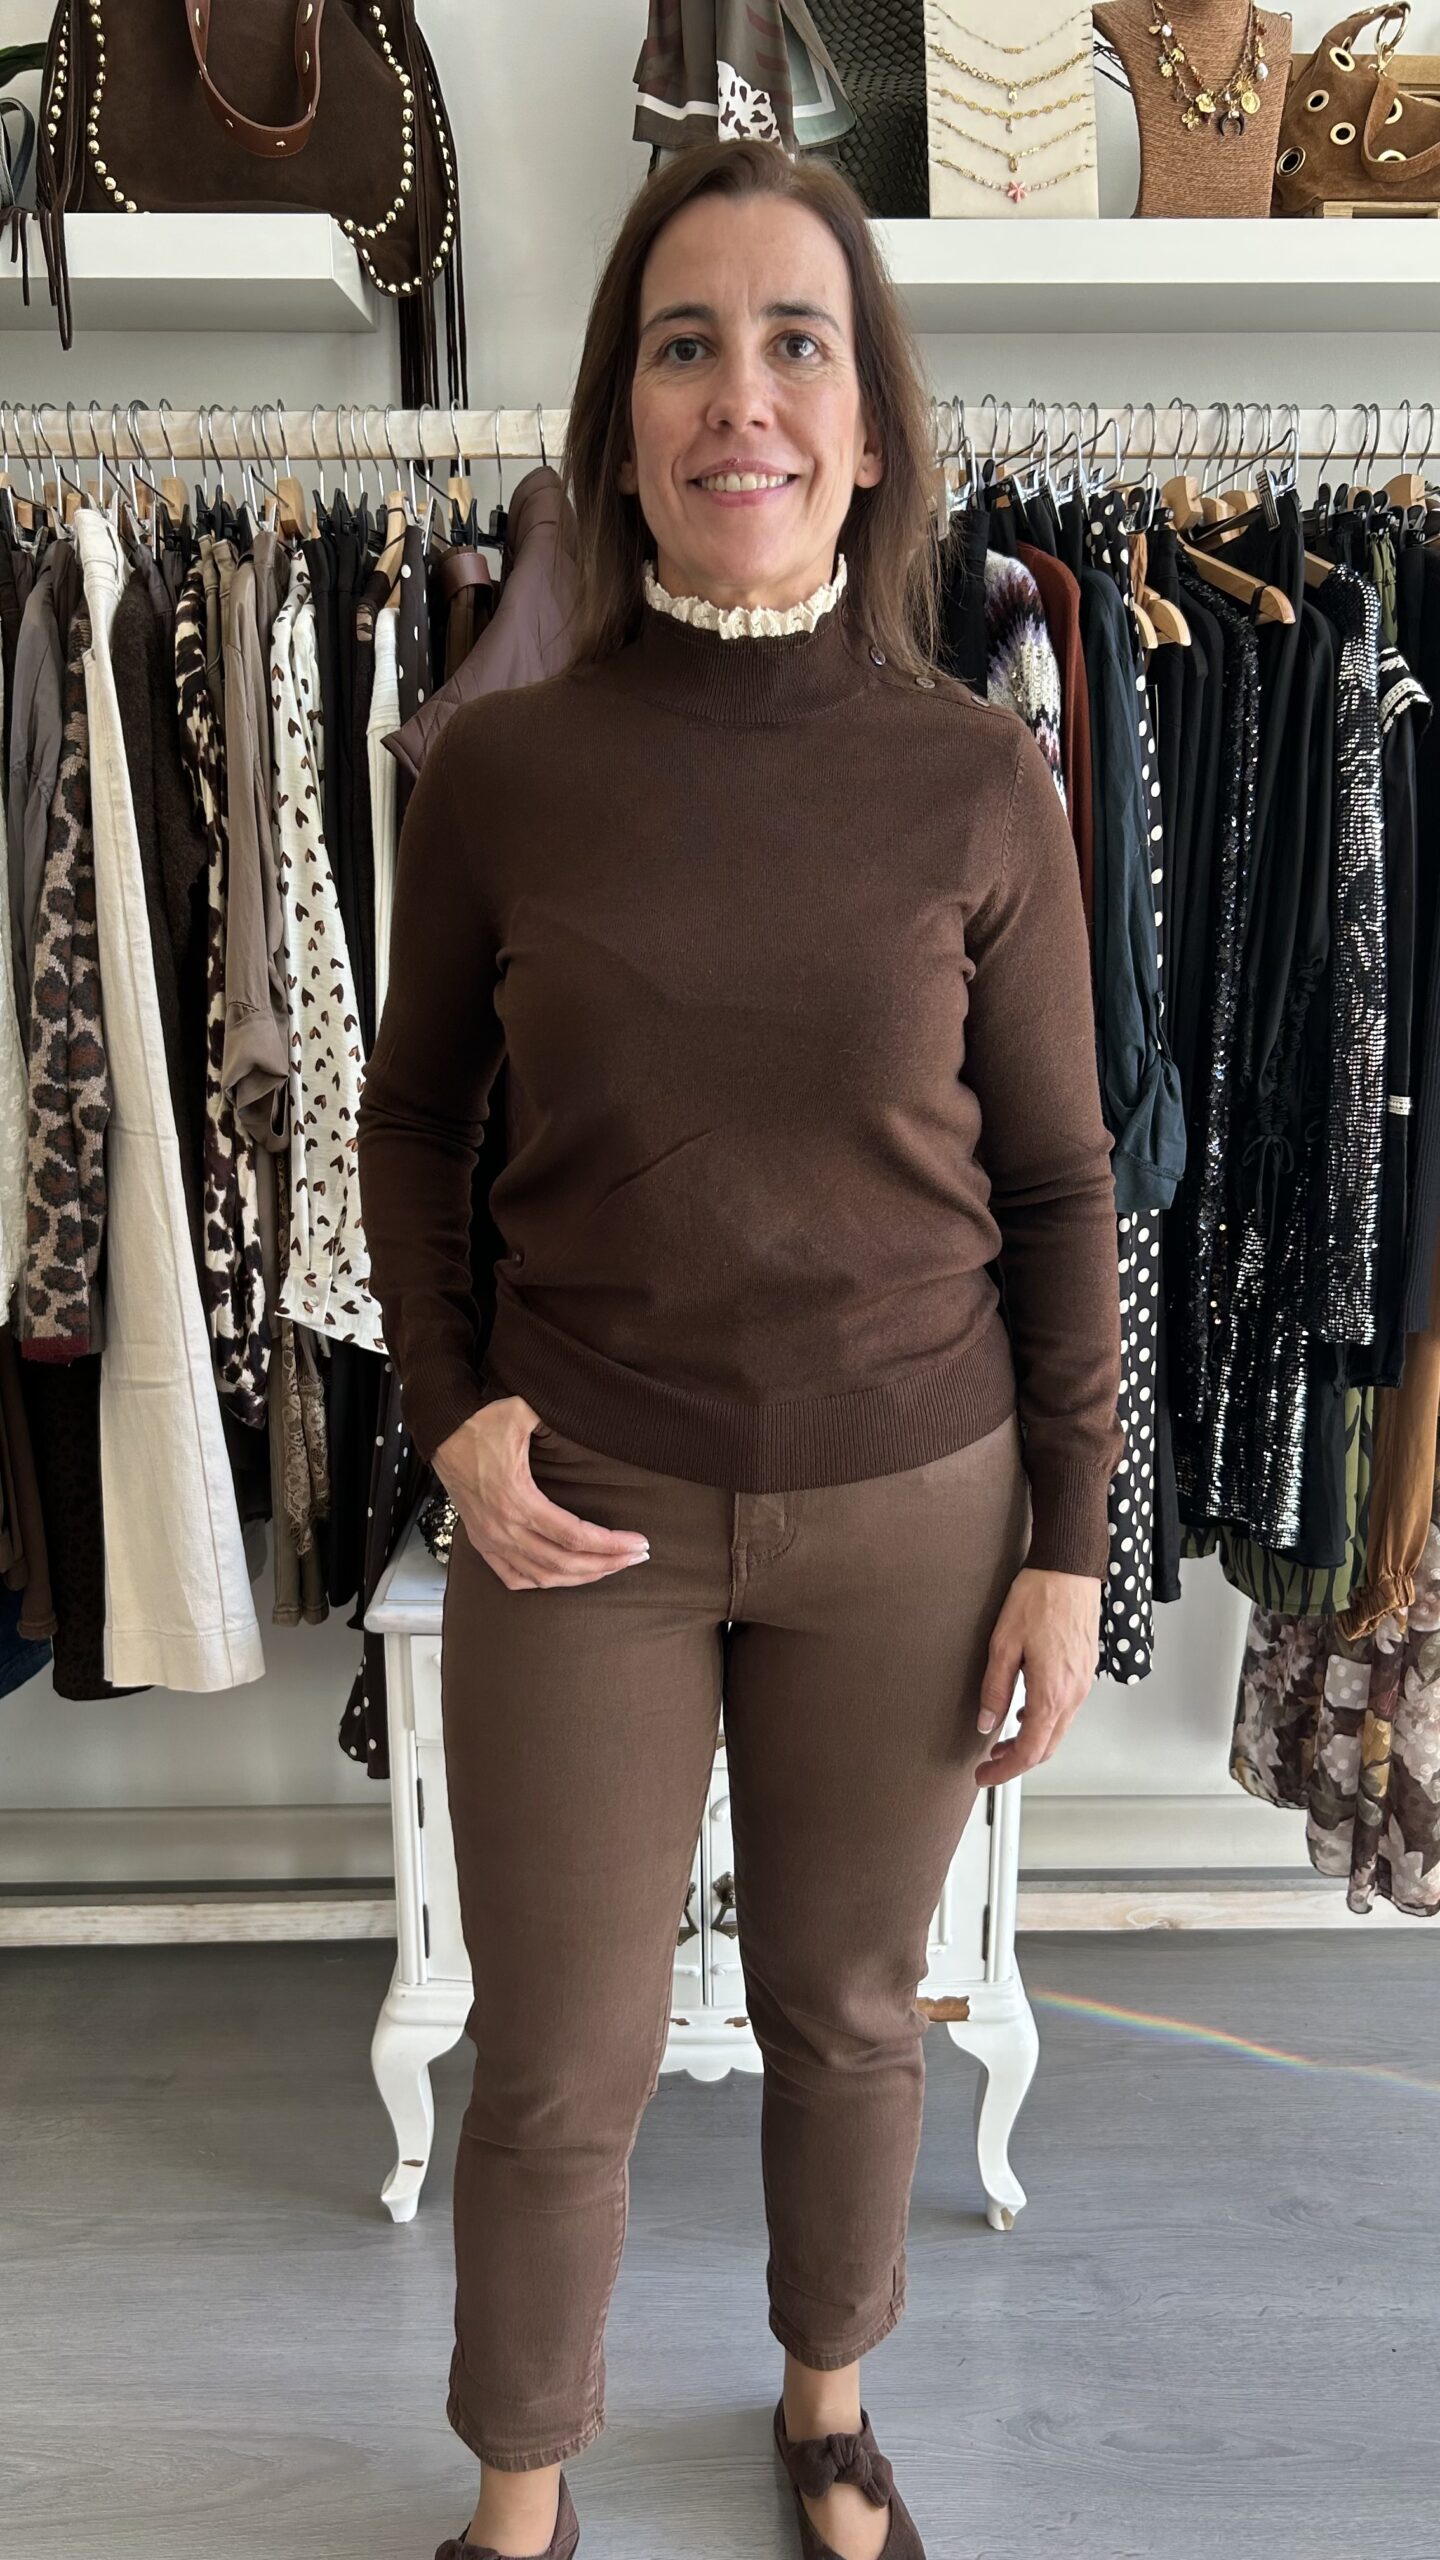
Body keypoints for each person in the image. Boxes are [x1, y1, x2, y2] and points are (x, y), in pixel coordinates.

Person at [357, 134, 1123, 2560]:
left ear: (872, 425)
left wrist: (1070, 1546)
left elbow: (1060, 1185)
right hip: (576, 1508)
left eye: (801, 343)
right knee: (558, 2055)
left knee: (852, 2005)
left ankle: (825, 2400)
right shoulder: (504, 768)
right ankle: (519, 2494)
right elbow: (411, 1121)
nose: (744, 398)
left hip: (913, 1507)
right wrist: (451, 1412)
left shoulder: (978, 778)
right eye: (686, 346)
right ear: (621, 417)